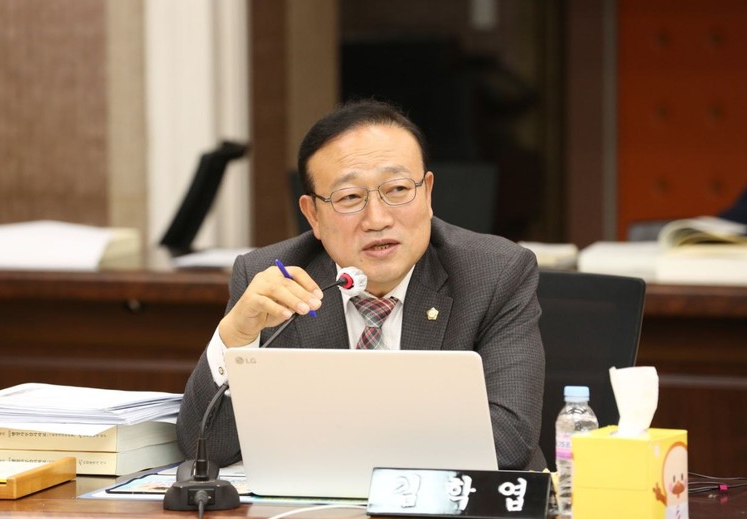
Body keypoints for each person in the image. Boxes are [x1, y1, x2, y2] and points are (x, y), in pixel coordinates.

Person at [176, 98, 547, 471]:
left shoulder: (494, 273)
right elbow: (206, 449)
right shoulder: (276, 280)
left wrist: (341, 443)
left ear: (427, 193)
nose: (377, 219)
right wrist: (236, 337)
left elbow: (507, 440)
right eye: (350, 197)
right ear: (312, 215)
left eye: (397, 189)